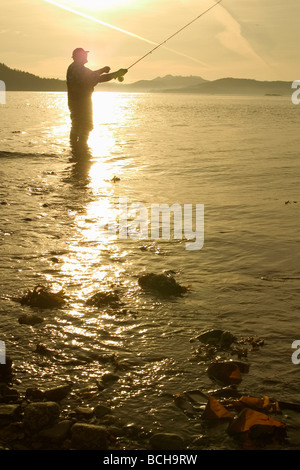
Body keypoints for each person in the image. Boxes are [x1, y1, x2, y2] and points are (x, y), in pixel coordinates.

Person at [66, 47, 127, 145]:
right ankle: (81, 149)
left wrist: (102, 69)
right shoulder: (78, 68)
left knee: (76, 126)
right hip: (82, 103)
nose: (86, 55)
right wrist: (116, 73)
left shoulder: (74, 67)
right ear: (78, 57)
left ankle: (74, 149)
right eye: (84, 54)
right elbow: (98, 79)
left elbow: (90, 75)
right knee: (85, 126)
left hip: (75, 102)